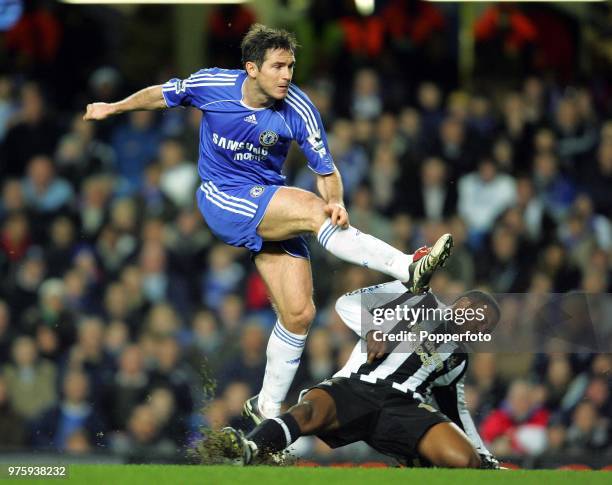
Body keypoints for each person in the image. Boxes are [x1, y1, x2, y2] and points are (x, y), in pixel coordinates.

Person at [83, 23, 452, 423]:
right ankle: (407, 266)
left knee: (299, 315)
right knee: (312, 209)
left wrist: (339, 201)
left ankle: (266, 412)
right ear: (251, 68)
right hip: (222, 197)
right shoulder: (212, 84)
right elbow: (162, 95)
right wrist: (114, 107)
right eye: (278, 66)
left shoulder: (299, 108)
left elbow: (325, 169)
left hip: (270, 205)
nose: (287, 75)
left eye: (291, 66)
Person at [212, 280, 502, 469]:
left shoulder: (458, 357)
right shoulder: (417, 297)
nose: (480, 330)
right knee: (307, 413)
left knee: (464, 460)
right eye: (481, 320)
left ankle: (414, 461)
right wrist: (371, 330)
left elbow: (457, 409)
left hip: (403, 406)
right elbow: (347, 302)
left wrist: (484, 456)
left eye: (486, 329)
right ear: (464, 305)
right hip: (355, 386)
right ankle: (248, 448)